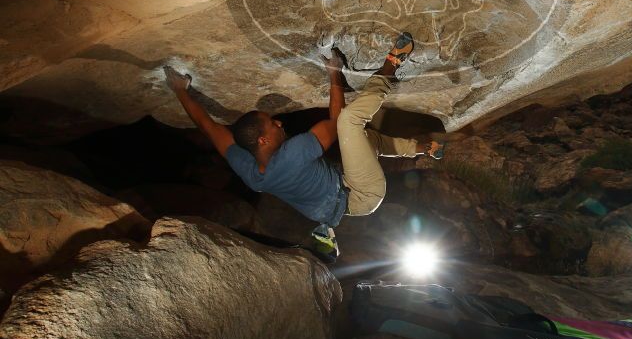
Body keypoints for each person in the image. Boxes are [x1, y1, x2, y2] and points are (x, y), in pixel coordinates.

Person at [164, 32, 444, 259]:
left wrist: (180, 91)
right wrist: (334, 73)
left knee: (363, 140)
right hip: (362, 195)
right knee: (350, 123)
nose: (279, 124)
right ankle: (391, 66)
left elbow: (209, 128)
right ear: (263, 140)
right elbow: (337, 121)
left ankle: (422, 148)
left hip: (345, 188)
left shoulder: (250, 170)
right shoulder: (292, 154)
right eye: (272, 124)